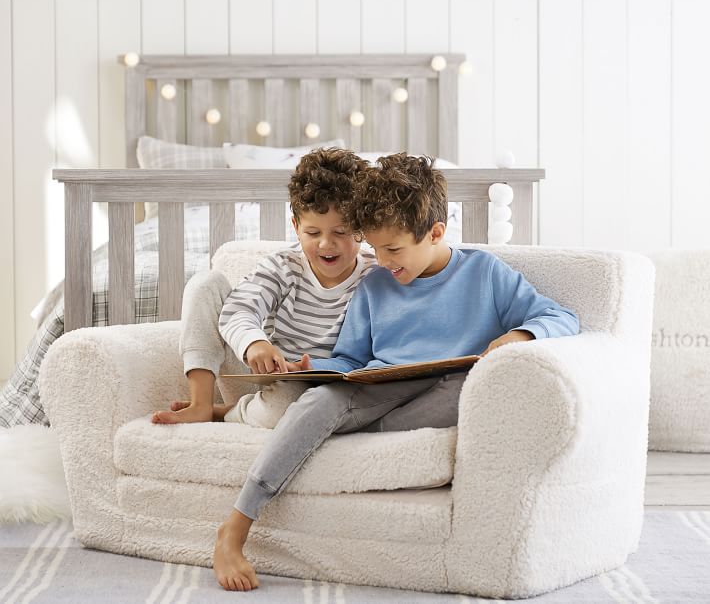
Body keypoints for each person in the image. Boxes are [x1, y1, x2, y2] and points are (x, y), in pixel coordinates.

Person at [211, 153, 580, 591]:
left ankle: (347, 429)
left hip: (449, 387)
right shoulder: (375, 284)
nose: (380, 261)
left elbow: (561, 317)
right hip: (378, 386)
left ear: (436, 232)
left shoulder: (486, 274)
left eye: (392, 249)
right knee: (318, 401)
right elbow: (351, 358)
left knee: (474, 388)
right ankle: (235, 526)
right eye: (374, 247)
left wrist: (520, 336)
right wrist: (318, 369)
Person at [151, 147, 374, 426]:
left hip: (313, 393)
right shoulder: (283, 266)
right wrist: (255, 343)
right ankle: (202, 403)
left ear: (363, 228)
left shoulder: (375, 276)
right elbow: (239, 309)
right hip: (258, 375)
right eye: (313, 233)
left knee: (289, 406)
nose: (326, 244)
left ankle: (228, 412)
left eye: (340, 232)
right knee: (205, 283)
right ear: (295, 227)